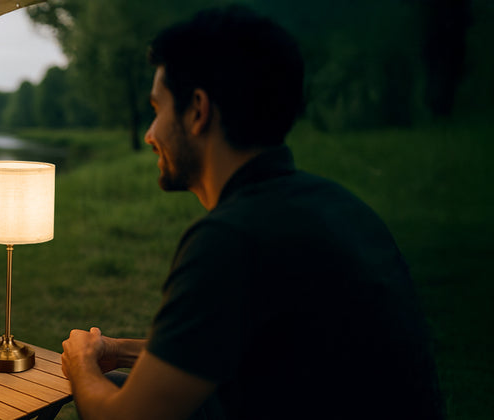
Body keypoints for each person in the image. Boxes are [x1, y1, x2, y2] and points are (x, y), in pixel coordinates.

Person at [60, 5, 443, 420]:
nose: (150, 134)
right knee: (118, 380)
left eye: (158, 109)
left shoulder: (232, 239)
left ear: (197, 111)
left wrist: (80, 360)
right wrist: (117, 350)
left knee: (101, 396)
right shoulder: (338, 207)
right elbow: (229, 341)